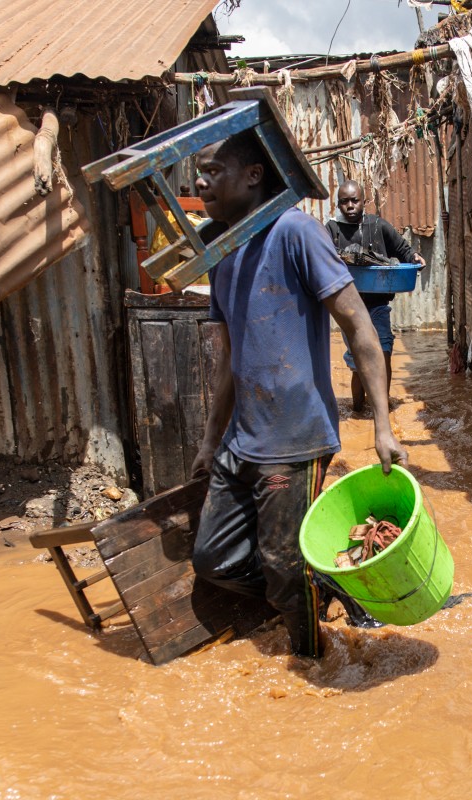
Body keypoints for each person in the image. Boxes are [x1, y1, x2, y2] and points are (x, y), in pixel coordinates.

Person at [189, 132, 407, 658]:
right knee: (212, 558)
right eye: (196, 174)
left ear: (253, 175)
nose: (199, 183)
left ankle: (315, 665)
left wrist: (382, 424)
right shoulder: (217, 249)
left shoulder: (296, 231)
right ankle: (320, 587)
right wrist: (209, 441)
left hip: (295, 439)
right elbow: (229, 363)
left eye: (212, 170)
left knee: (285, 569)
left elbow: (361, 329)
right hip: (243, 440)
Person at [324, 180, 426, 414]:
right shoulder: (330, 230)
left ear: (364, 201)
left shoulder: (378, 226)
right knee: (359, 362)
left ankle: (383, 409)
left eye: (354, 200)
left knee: (384, 353)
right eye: (344, 201)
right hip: (347, 308)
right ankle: (358, 409)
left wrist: (415, 257)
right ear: (338, 204)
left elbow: (403, 249)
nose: (350, 205)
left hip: (377, 305)